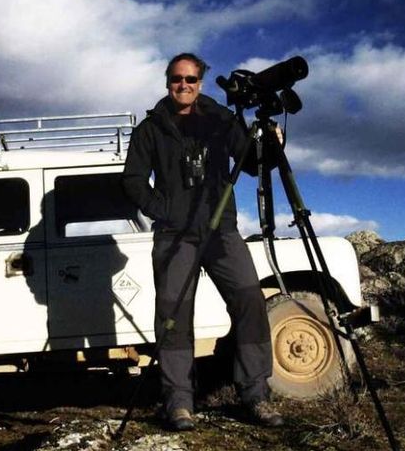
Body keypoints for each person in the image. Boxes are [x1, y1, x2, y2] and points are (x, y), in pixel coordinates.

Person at [122, 53, 284, 431]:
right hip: (174, 234)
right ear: (167, 81)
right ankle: (179, 403)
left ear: (200, 82)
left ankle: (255, 395)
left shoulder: (219, 119)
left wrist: (271, 146)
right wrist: (164, 210)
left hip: (221, 231)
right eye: (178, 79)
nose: (184, 85)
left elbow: (250, 163)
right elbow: (131, 180)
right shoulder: (151, 128)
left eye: (191, 79)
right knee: (173, 315)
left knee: (249, 300)